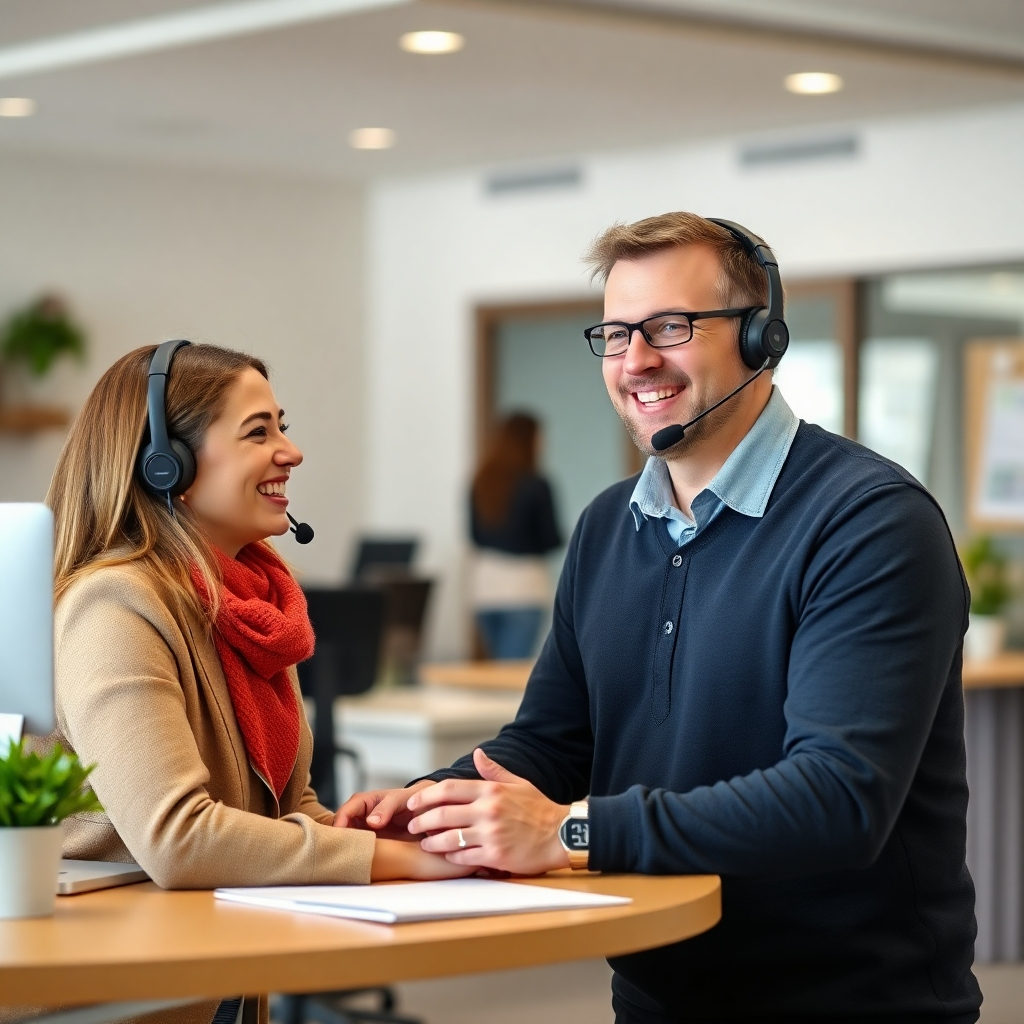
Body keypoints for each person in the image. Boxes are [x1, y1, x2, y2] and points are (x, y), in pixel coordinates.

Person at [337, 213, 981, 1023]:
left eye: (670, 327)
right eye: (615, 334)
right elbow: (552, 742)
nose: (636, 360)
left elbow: (838, 799)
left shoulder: (868, 521)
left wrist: (570, 832)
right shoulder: (609, 525)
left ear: (761, 338)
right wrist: (433, 803)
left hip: (853, 1002)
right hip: (656, 992)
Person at [44, 343, 470, 1024]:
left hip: (214, 977)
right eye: (257, 432)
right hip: (118, 996)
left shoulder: (254, 608)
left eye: (282, 426)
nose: (290, 452)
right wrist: (395, 861)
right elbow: (180, 838)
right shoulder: (115, 605)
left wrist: (406, 834)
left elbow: (283, 810)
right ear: (167, 466)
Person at [469, 412, 562, 659]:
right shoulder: (536, 484)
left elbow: (475, 537)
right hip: (523, 587)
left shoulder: (481, 482)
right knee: (512, 669)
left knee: (498, 667)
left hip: (486, 588)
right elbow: (550, 538)